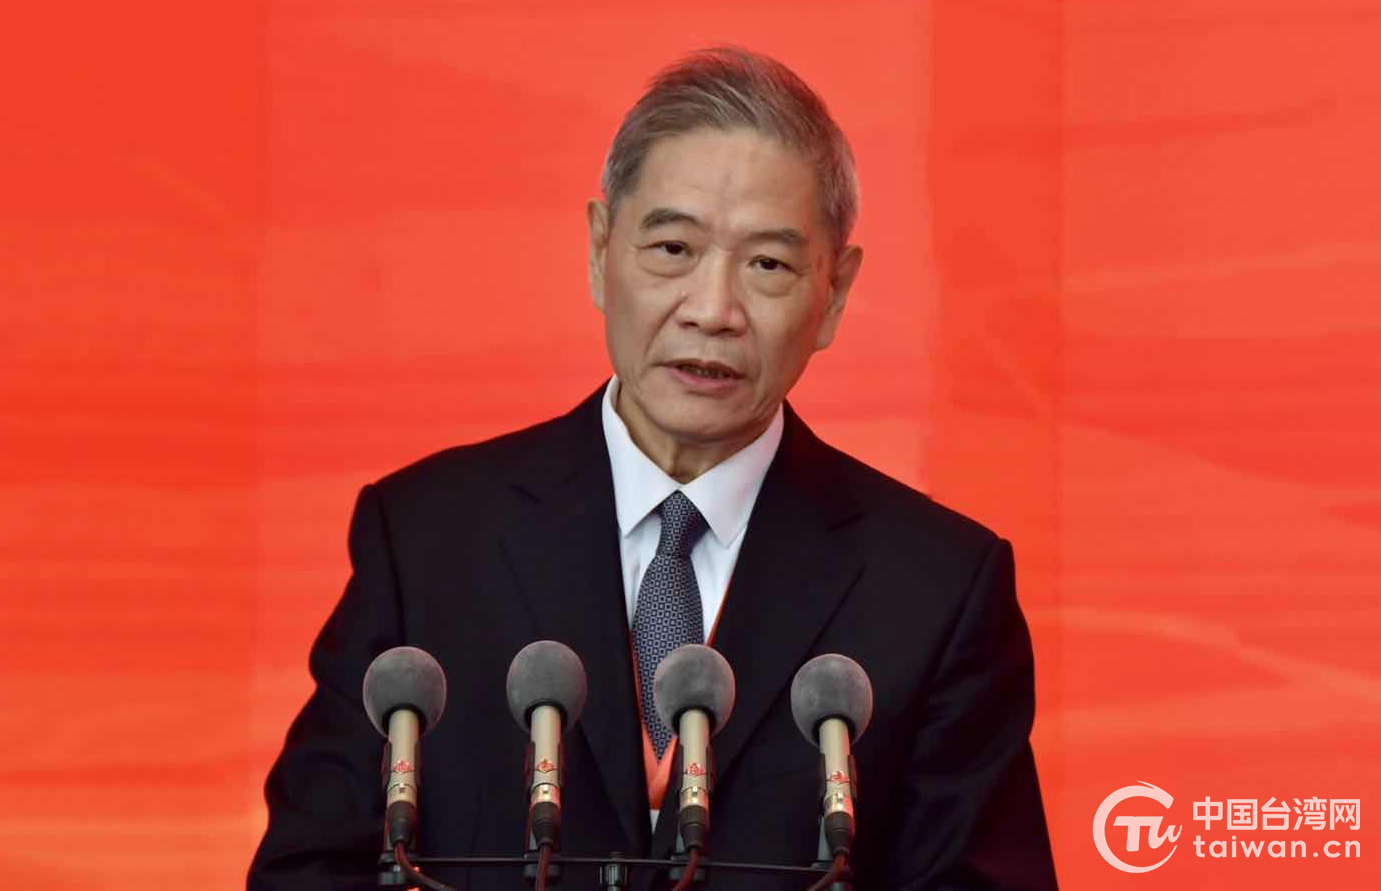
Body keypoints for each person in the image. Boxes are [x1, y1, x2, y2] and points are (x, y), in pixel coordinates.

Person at [249, 47, 1057, 891]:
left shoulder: (935, 590)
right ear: (600, 250)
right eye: (672, 247)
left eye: (768, 265)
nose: (712, 310)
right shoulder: (427, 541)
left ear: (835, 293)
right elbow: (308, 869)